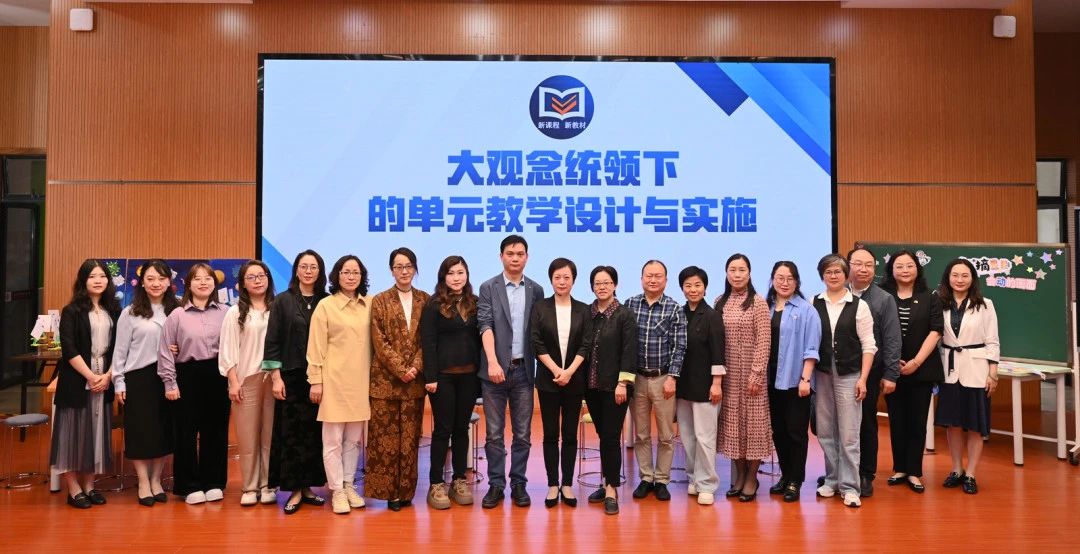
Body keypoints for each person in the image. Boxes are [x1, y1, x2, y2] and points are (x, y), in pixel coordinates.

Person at [477, 235, 544, 509]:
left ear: (527, 257)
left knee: (523, 434)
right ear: (501, 256)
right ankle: (496, 484)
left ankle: (518, 483)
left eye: (520, 254)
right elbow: (485, 324)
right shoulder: (488, 287)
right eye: (510, 253)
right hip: (494, 371)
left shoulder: (536, 289)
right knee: (494, 434)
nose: (515, 258)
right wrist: (493, 362)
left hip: (524, 371)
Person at [51, 259, 121, 509]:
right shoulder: (72, 310)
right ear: (83, 280)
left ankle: (90, 486)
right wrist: (91, 377)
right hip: (77, 379)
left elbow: (120, 347)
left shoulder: (114, 310)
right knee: (72, 434)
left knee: (96, 432)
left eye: (102, 276)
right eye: (92, 276)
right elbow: (68, 349)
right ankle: (73, 489)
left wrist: (108, 375)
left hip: (105, 377)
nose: (98, 280)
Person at [158, 262, 230, 505]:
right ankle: (188, 485)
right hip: (187, 374)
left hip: (218, 374)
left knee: (216, 431)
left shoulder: (226, 312)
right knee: (185, 433)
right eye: (197, 279)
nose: (203, 282)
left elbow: (233, 345)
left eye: (207, 278)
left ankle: (214, 482)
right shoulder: (177, 315)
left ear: (214, 283)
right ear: (188, 284)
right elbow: (165, 351)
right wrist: (170, 383)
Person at [263, 249, 329, 514]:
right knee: (291, 434)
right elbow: (272, 341)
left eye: (313, 267)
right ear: (296, 270)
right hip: (291, 377)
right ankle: (294, 489)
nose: (308, 271)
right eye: (304, 266)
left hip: (321, 378)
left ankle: (309, 487)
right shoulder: (283, 301)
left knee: (315, 434)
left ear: (320, 271)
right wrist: (275, 378)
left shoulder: (327, 300)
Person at [308, 254, 374, 514]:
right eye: (346, 272)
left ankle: (348, 485)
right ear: (337, 275)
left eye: (356, 272)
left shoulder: (370, 304)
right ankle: (336, 490)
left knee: (354, 441)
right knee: (333, 440)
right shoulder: (326, 306)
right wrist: (316, 381)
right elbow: (315, 347)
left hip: (361, 382)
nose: (351, 277)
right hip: (333, 382)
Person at [367, 247, 430, 511]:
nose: (404, 271)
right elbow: (378, 340)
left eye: (408, 266)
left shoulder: (426, 300)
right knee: (385, 440)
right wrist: (400, 368)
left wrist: (414, 367)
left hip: (414, 383)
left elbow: (429, 339)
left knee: (410, 440)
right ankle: (389, 493)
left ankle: (405, 492)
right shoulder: (380, 300)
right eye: (398, 267)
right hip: (385, 382)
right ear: (391, 270)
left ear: (415, 268)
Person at [111, 259, 178, 507]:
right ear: (142, 282)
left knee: (163, 429)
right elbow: (120, 351)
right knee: (140, 431)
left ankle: (156, 479)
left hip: (168, 377)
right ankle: (142, 481)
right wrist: (119, 382)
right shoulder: (130, 312)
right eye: (150, 279)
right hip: (139, 377)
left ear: (169, 282)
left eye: (161, 278)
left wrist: (177, 348)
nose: (156, 283)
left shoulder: (177, 309)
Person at [812, 254, 876, 508]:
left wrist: (863, 378)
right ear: (822, 276)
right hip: (822, 374)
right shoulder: (814, 302)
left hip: (850, 375)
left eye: (838, 271)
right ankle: (832, 480)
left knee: (849, 435)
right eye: (828, 272)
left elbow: (869, 345)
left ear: (846, 275)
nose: (834, 276)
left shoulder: (859, 306)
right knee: (826, 431)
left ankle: (850, 487)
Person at [879, 250, 944, 494]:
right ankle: (900, 468)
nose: (905, 270)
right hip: (891, 368)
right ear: (891, 270)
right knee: (897, 420)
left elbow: (936, 331)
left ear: (918, 268)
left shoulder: (931, 296)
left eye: (909, 265)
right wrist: (891, 361)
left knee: (917, 421)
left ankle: (914, 471)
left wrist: (916, 362)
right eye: (899, 266)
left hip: (922, 369)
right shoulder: (883, 296)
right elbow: (876, 330)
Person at [530, 258, 591, 508]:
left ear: (573, 280)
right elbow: (536, 342)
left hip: (574, 380)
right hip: (548, 380)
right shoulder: (540, 307)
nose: (562, 282)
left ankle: (567, 484)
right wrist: (557, 370)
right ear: (551, 279)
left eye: (567, 277)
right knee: (550, 434)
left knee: (569, 434)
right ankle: (552, 484)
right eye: (557, 277)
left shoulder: (584, 309)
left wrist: (569, 372)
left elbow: (586, 344)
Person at [421, 256, 481, 510]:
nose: (456, 278)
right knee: (443, 430)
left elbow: (481, 340)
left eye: (460, 272)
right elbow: (428, 342)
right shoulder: (433, 305)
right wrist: (431, 377)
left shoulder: (476, 303)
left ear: (467, 275)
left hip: (469, 377)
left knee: (461, 429)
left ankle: (459, 480)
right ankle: (436, 483)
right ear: (443, 277)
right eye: (451, 273)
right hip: (442, 378)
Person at [935, 258, 999, 495]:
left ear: (972, 278)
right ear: (948, 278)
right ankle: (956, 469)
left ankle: (971, 473)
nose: (959, 280)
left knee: (974, 425)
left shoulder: (985, 304)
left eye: (965, 275)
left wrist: (993, 373)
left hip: (977, 371)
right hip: (949, 371)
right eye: (955, 275)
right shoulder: (939, 302)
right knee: (952, 424)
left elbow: (992, 340)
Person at [625, 259, 687, 502]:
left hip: (663, 378)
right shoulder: (630, 304)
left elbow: (679, 347)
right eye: (648, 275)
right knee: (641, 434)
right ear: (641, 278)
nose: (653, 280)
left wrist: (672, 377)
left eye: (658, 276)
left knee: (665, 435)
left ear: (666, 280)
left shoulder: (674, 308)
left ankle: (661, 480)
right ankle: (646, 478)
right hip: (637, 379)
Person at [715, 254, 771, 502]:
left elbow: (764, 341)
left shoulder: (758, 303)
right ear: (726, 273)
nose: (737, 275)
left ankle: (751, 477)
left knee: (754, 427)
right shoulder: (719, 302)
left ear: (749, 273)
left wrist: (756, 374)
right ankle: (739, 475)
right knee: (733, 426)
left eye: (742, 270)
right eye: (732, 270)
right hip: (728, 376)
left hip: (751, 377)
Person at [219, 260, 276, 506]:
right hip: (245, 379)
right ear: (243, 283)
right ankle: (250, 487)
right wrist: (233, 381)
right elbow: (227, 349)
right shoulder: (235, 312)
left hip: (273, 378)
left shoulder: (277, 308)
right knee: (247, 436)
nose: (257, 280)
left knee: (270, 436)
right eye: (251, 277)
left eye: (261, 275)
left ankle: (268, 484)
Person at [846, 247, 901, 497]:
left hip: (869, 372)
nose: (863, 269)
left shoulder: (883, 299)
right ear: (848, 265)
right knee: (839, 424)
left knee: (865, 422)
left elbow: (892, 339)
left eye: (869, 265)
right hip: (838, 370)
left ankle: (866, 473)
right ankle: (843, 471)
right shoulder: (837, 292)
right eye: (858, 264)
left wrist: (890, 374)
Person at [582, 266, 638, 515]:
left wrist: (623, 383)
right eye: (597, 283)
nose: (602, 287)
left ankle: (612, 489)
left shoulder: (625, 315)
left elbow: (629, 351)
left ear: (614, 285)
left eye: (606, 282)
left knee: (611, 437)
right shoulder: (587, 313)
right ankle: (606, 483)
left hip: (616, 388)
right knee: (603, 435)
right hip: (592, 387)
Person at [763, 261, 820, 503]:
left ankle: (796, 480)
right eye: (780, 277)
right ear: (773, 279)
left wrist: (805, 378)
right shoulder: (765, 307)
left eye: (790, 278)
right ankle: (785, 476)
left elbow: (812, 348)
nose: (784, 283)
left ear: (797, 282)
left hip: (796, 381)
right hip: (769, 381)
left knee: (796, 432)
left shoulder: (806, 310)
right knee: (778, 431)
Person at [673, 266, 726, 506]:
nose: (693, 289)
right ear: (682, 288)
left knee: (705, 437)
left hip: (706, 386)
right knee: (688, 436)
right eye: (688, 285)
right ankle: (694, 477)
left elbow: (718, 352)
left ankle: (707, 484)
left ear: (705, 287)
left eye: (697, 285)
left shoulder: (712, 315)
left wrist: (717, 383)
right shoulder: (679, 313)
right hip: (683, 386)